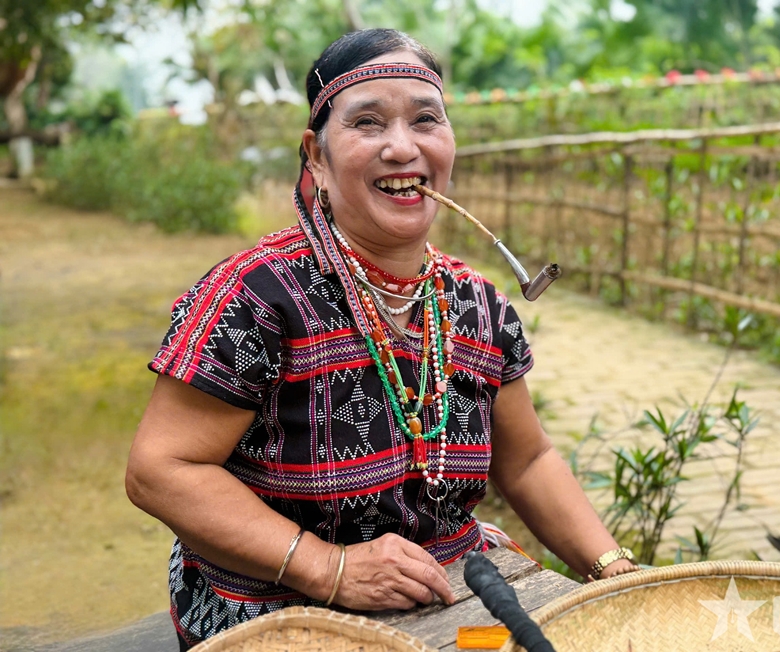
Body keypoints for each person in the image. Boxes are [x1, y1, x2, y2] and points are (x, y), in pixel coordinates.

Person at [125, 28, 639, 651]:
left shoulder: (479, 306)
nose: (403, 147)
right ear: (317, 157)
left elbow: (528, 461)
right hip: (277, 604)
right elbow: (162, 469)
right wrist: (329, 567)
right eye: (367, 122)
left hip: (453, 585)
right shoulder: (255, 297)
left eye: (426, 119)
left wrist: (616, 573)